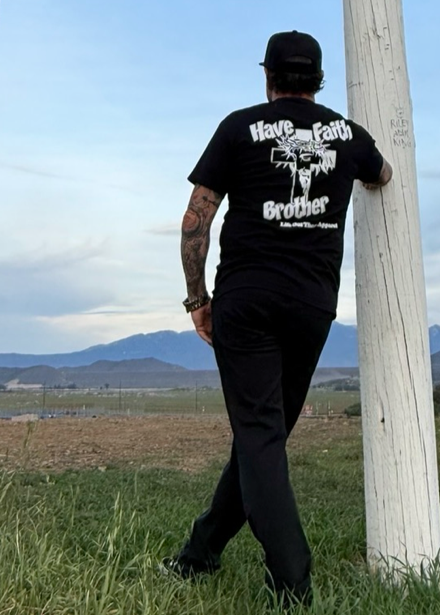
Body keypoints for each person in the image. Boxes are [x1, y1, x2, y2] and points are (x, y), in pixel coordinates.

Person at [163, 30, 392, 606]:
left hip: (247, 302)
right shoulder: (349, 135)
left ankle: (291, 579)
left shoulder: (239, 128)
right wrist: (356, 170)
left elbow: (195, 223)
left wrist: (197, 299)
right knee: (262, 437)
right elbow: (382, 174)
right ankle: (201, 552)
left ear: (267, 78)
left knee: (260, 436)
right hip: (313, 306)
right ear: (317, 81)